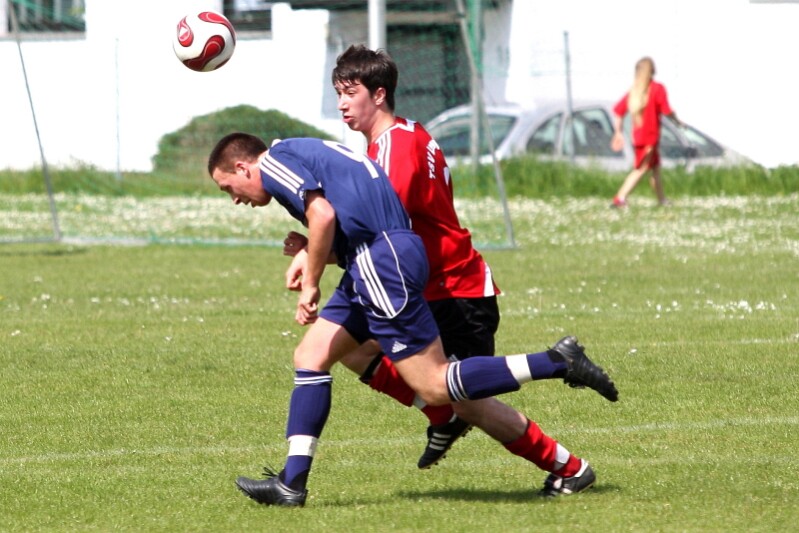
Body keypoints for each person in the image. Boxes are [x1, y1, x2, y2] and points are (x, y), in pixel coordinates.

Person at [208, 133, 618, 507]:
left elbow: (324, 215)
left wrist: (312, 282)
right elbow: (351, 219)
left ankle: (555, 362)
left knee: (436, 384)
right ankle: (291, 483)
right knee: (312, 355)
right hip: (379, 257)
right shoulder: (306, 150)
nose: (235, 199)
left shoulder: (274, 161)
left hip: (380, 262)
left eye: (229, 188)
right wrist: (313, 250)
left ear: (244, 167)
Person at [279, 44, 614, 485]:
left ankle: (568, 464)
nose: (342, 103)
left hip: (453, 290)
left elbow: (384, 228)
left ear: (379, 94)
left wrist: (316, 250)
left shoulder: (394, 149)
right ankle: (441, 415)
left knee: (467, 401)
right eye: (338, 93)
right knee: (347, 350)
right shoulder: (405, 135)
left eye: (351, 92)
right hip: (420, 286)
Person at [610, 56, 683, 208]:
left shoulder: (634, 92)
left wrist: (618, 132)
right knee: (641, 169)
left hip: (639, 138)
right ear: (652, 71)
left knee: (655, 170)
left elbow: (618, 112)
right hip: (650, 138)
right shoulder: (657, 88)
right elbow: (666, 110)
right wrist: (677, 120)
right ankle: (620, 198)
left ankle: (662, 200)